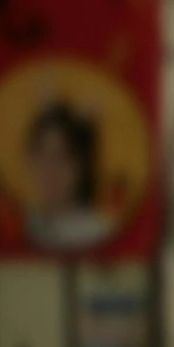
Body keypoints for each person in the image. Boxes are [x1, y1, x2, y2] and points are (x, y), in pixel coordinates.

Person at [24, 100, 113, 251]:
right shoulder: (23, 224)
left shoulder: (96, 230)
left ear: (81, 165)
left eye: (62, 157)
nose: (50, 169)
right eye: (43, 155)